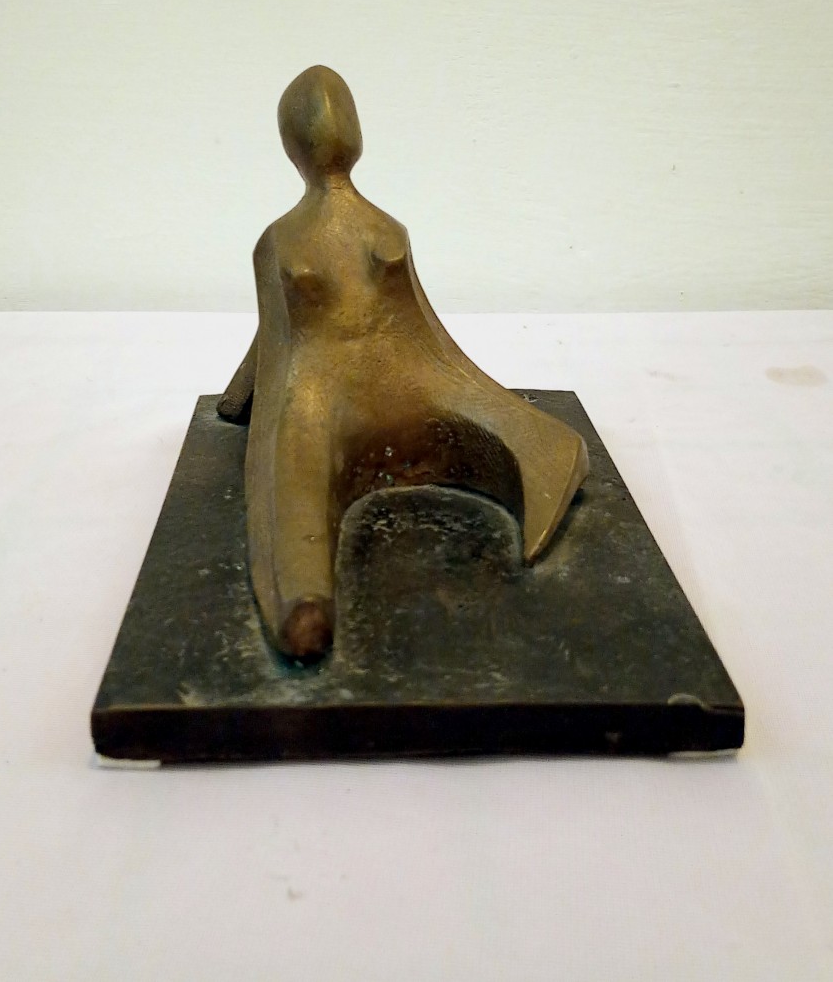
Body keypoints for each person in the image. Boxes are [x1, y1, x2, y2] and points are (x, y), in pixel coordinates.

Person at [219, 66, 588, 660]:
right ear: (356, 136)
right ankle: (305, 598)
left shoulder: (279, 240)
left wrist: (236, 403)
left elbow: (275, 337)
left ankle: (305, 597)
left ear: (291, 148)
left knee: (295, 489)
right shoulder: (386, 228)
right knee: (313, 463)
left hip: (330, 386)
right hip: (393, 378)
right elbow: (421, 326)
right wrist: (237, 399)